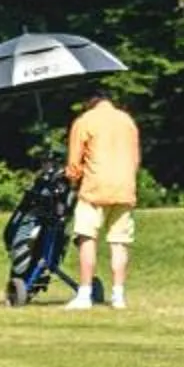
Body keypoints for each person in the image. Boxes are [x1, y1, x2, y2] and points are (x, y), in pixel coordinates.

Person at [64, 84, 140, 309]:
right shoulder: (127, 121)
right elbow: (135, 159)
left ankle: (85, 294)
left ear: (89, 102)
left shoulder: (85, 121)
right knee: (119, 242)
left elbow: (74, 164)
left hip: (95, 188)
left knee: (87, 238)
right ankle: (118, 296)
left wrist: (71, 178)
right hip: (125, 188)